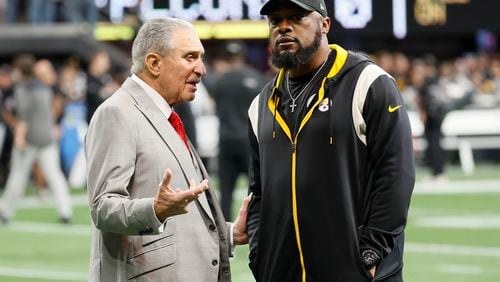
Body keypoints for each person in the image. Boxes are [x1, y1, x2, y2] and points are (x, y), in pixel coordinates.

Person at [246, 1, 415, 281]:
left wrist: (371, 252)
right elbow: (258, 192)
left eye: (297, 17)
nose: (284, 26)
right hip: (281, 271)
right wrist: (259, 254)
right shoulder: (262, 102)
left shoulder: (368, 82)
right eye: (275, 20)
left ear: (325, 24)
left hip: (356, 271)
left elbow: (396, 174)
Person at [85, 17, 250, 282]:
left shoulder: (167, 114)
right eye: (190, 57)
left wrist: (230, 233)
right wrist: (155, 209)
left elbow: (182, 219)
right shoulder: (117, 113)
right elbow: (103, 207)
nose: (202, 69)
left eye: (201, 57)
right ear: (154, 63)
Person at [0, 55, 73, 224]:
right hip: (47, 137)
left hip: (31, 139)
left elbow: (23, 117)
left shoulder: (22, 89)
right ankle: (65, 211)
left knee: (17, 175)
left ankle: (6, 211)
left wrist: (19, 138)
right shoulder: (43, 88)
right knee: (55, 175)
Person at [211, 41, 266, 220]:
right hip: (248, 141)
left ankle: (226, 234)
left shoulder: (220, 80)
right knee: (256, 190)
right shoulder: (256, 78)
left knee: (226, 193)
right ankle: (256, 226)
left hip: (226, 140)